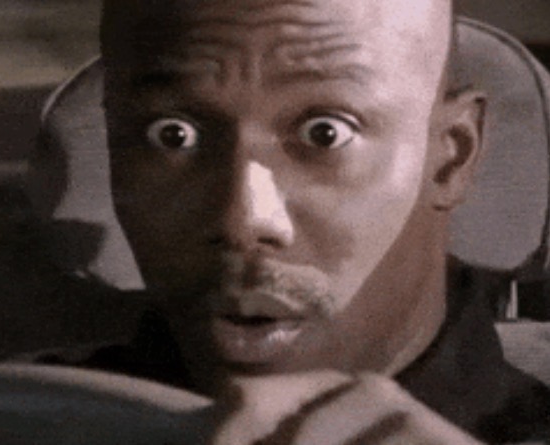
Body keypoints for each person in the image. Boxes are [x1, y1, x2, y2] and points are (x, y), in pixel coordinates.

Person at [35, 0, 550, 443]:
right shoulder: (19, 420)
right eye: (172, 136)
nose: (243, 220)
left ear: (451, 158)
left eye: (325, 134)